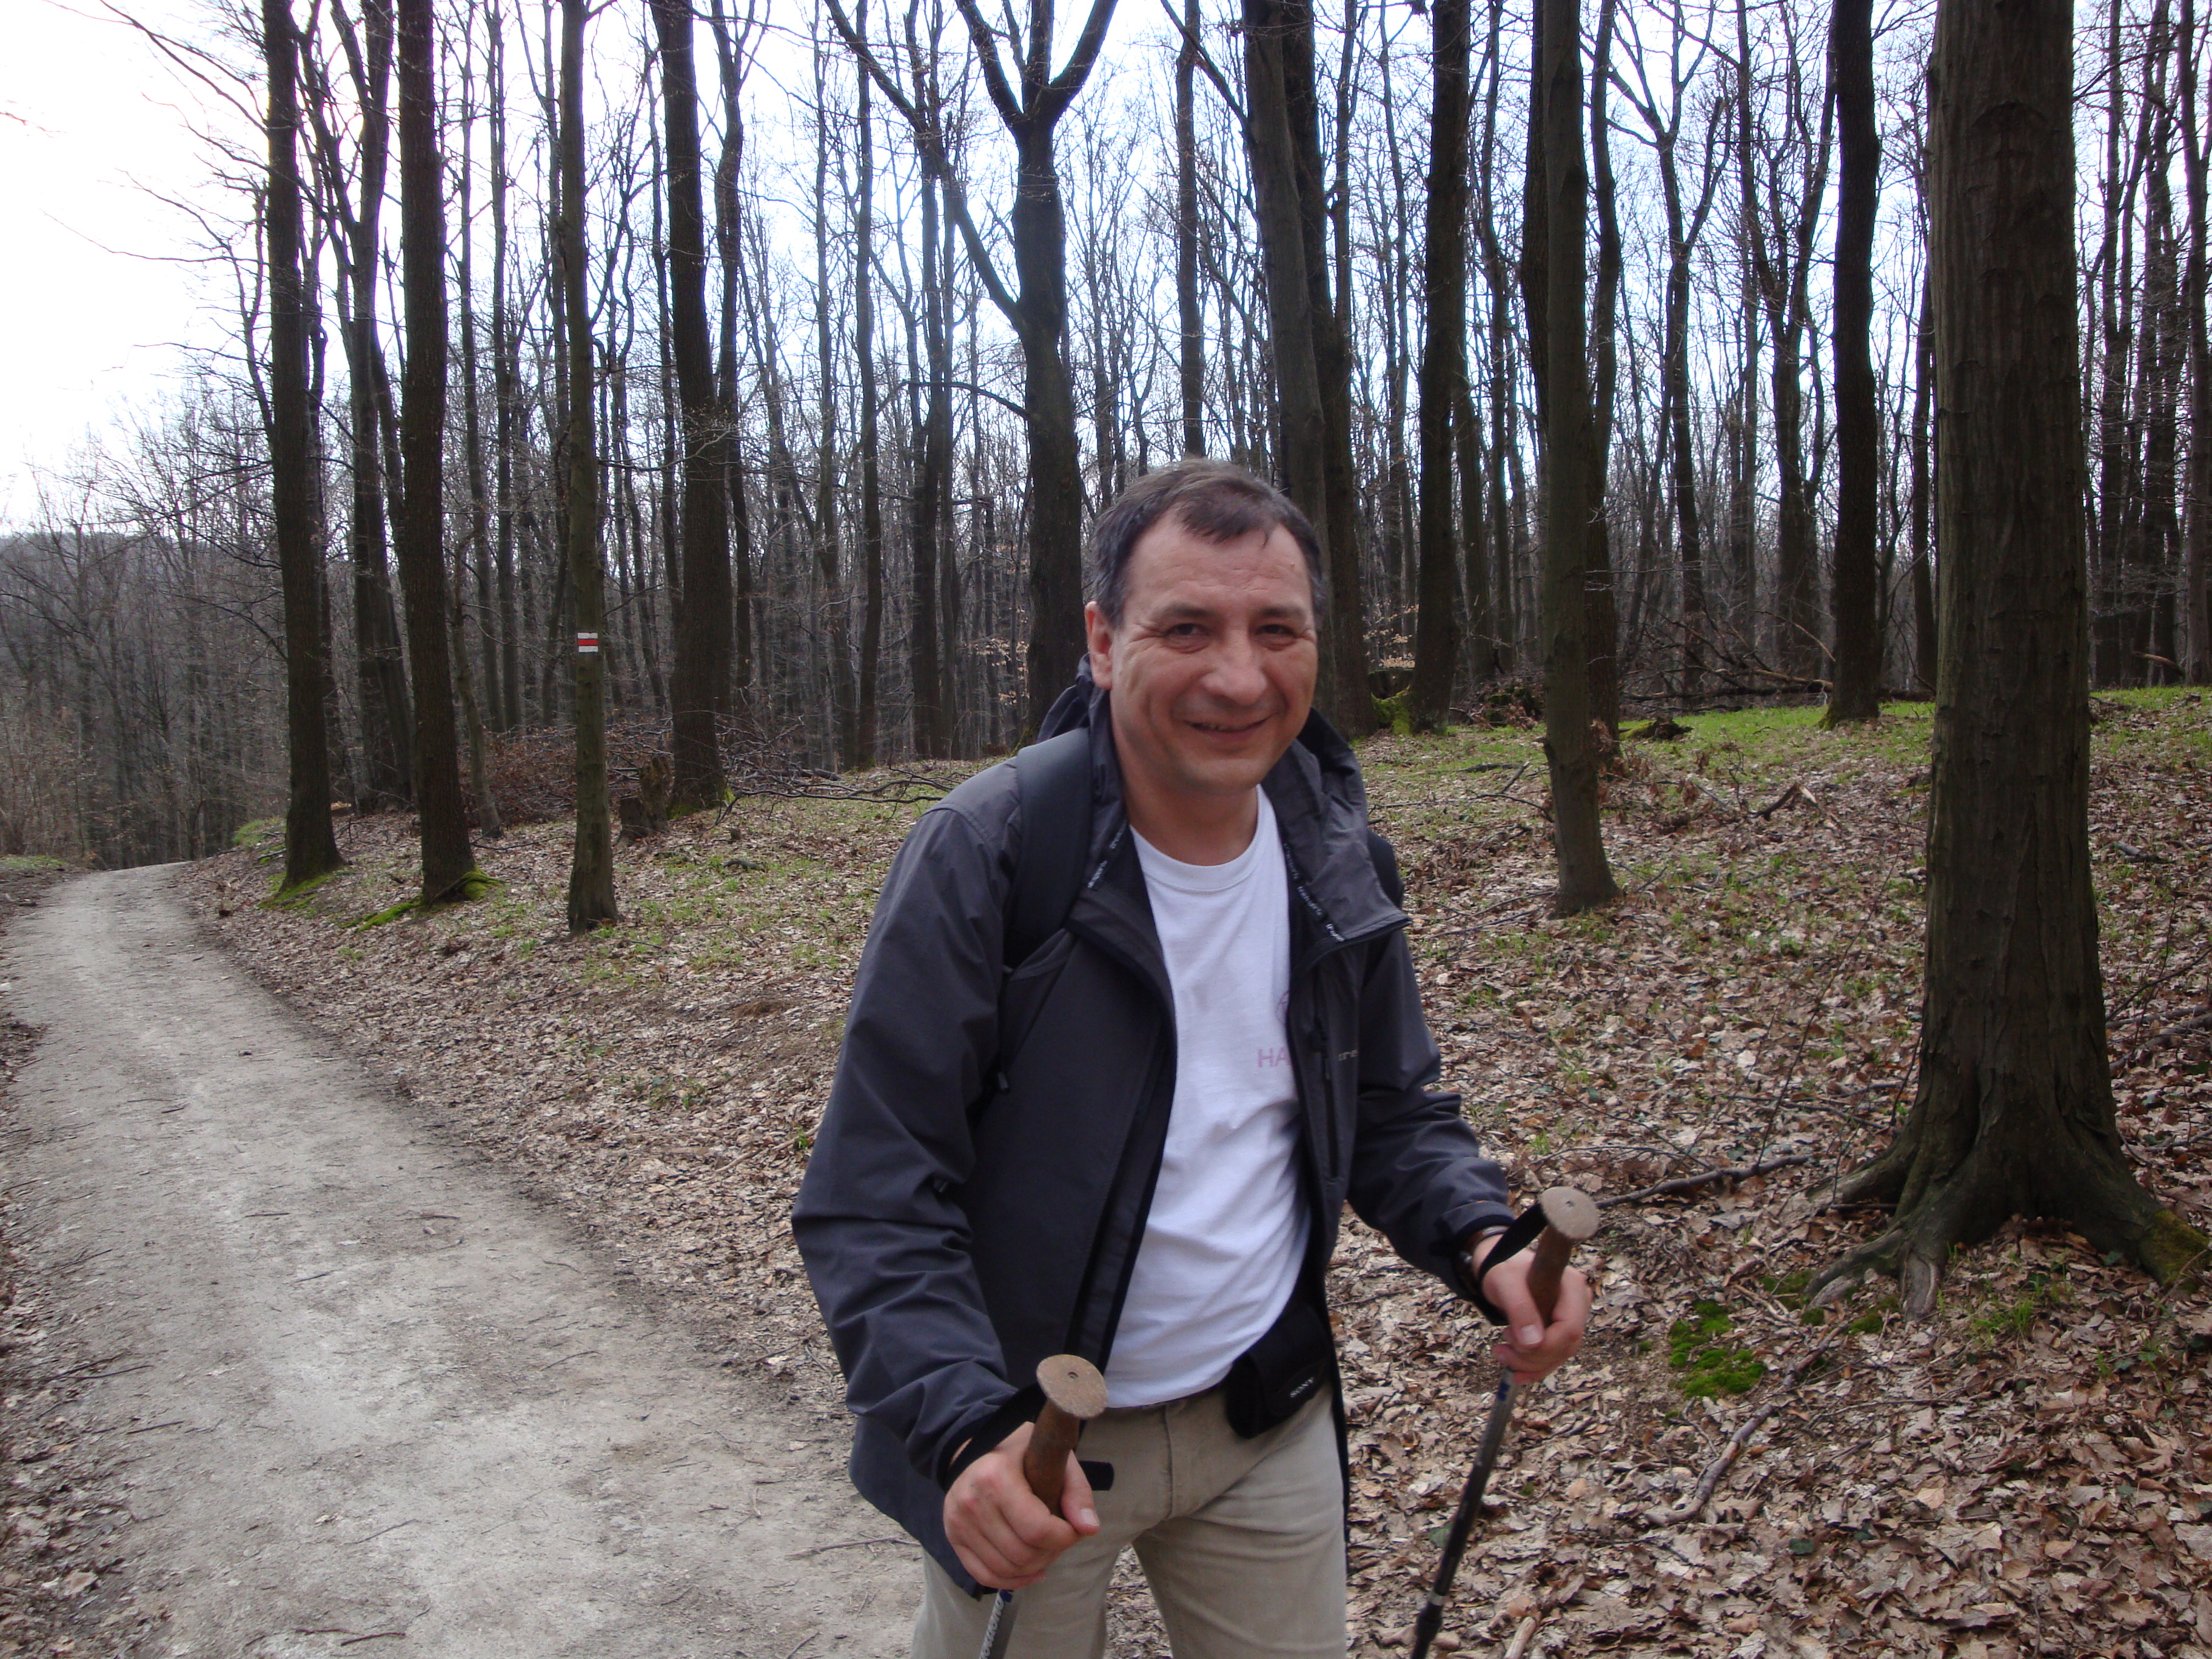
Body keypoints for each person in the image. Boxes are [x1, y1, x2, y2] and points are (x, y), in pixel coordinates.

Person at [794, 460, 1589, 1659]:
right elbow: (875, 1192)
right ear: (1103, 642)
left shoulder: (1336, 857)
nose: (1239, 677)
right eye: (1187, 629)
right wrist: (962, 1428)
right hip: (1032, 1448)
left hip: (1266, 1419)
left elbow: (1389, 1109)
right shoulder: (993, 852)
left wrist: (1486, 1239)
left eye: (1277, 630)